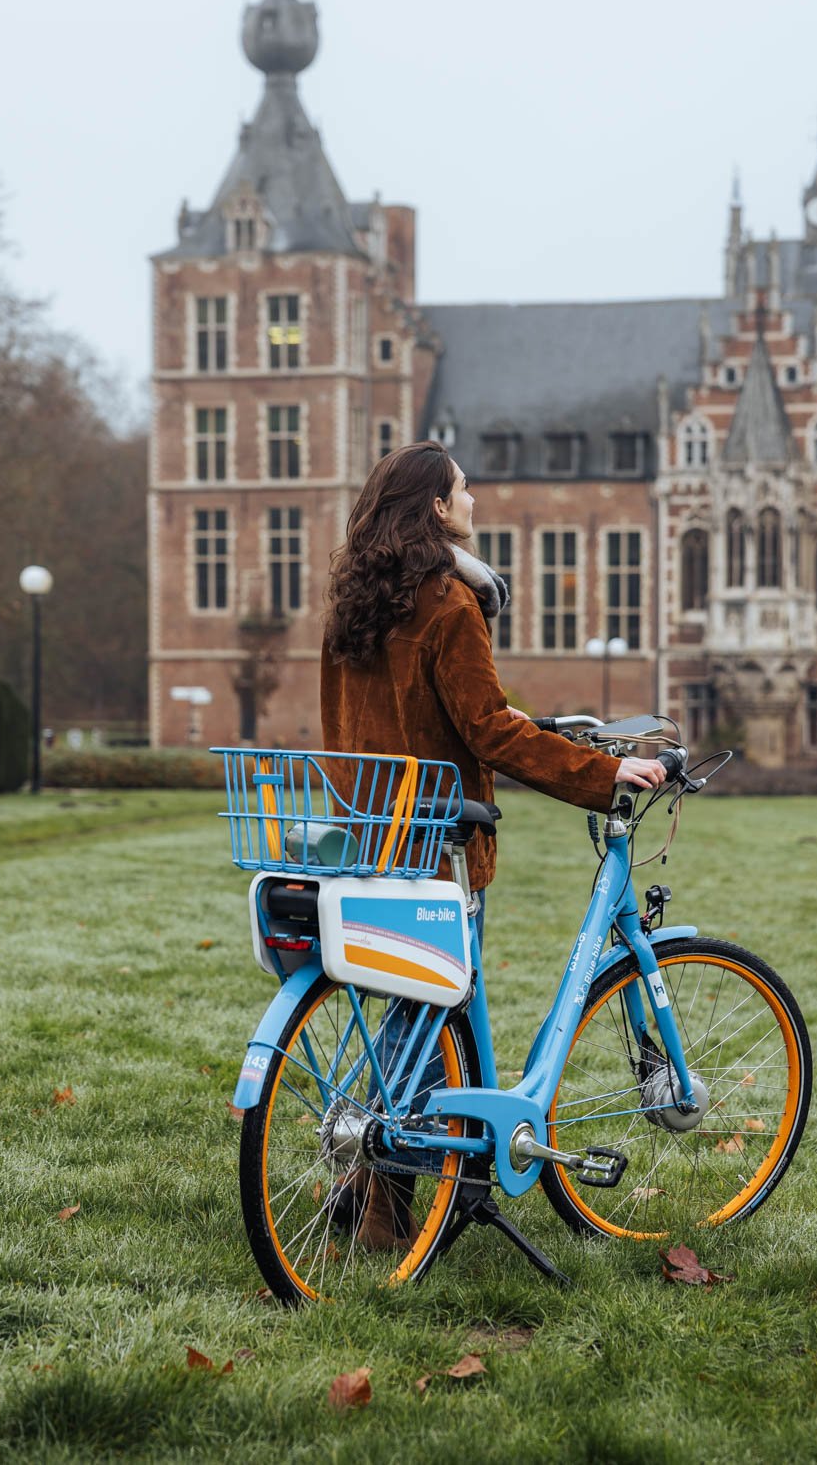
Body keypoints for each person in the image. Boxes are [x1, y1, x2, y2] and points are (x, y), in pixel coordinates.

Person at [321, 440, 666, 1248]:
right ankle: (382, 1203)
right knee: (426, 1015)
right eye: (464, 491)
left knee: (404, 1016)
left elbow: (403, 718)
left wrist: (524, 729)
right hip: (436, 841)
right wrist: (605, 769)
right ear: (438, 510)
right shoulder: (446, 603)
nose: (475, 501)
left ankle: (392, 1190)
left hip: (368, 834)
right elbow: (487, 729)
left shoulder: (356, 604)